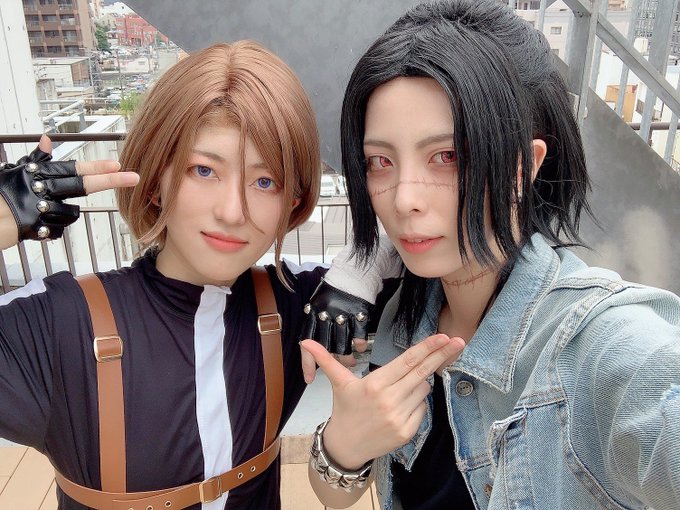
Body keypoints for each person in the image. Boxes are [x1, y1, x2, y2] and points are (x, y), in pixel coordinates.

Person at [0, 41, 421, 510]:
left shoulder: (300, 303)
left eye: (265, 181)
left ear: (293, 201)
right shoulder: (59, 324)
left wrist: (357, 275)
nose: (233, 211)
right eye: (203, 170)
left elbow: (423, 237)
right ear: (155, 178)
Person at [300, 1, 680, 509]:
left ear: (524, 166)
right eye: (380, 161)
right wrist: (343, 447)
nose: (404, 198)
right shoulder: (399, 317)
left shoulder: (596, 345)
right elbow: (333, 496)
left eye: (447, 156)